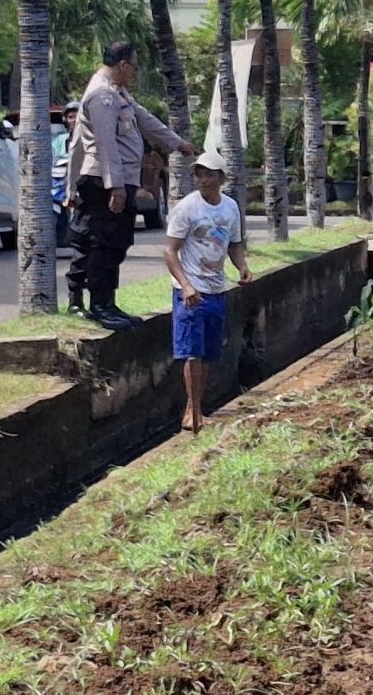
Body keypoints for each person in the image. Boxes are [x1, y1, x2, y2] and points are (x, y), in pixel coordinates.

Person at [66, 40, 195, 328]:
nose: (134, 73)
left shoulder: (117, 92)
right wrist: (116, 187)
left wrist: (177, 143)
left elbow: (144, 119)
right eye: (133, 67)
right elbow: (106, 144)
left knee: (115, 242)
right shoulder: (102, 96)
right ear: (122, 65)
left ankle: (107, 303)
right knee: (102, 243)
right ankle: (99, 305)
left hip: (117, 180)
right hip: (103, 181)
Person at [163, 149, 250, 432]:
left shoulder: (230, 208)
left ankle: (198, 408)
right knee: (192, 352)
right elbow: (170, 251)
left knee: (209, 352)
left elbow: (234, 244)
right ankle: (193, 412)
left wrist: (242, 267)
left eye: (209, 175)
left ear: (222, 179)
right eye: (199, 175)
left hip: (215, 288)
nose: (202, 180)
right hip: (191, 290)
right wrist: (186, 285)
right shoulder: (187, 208)